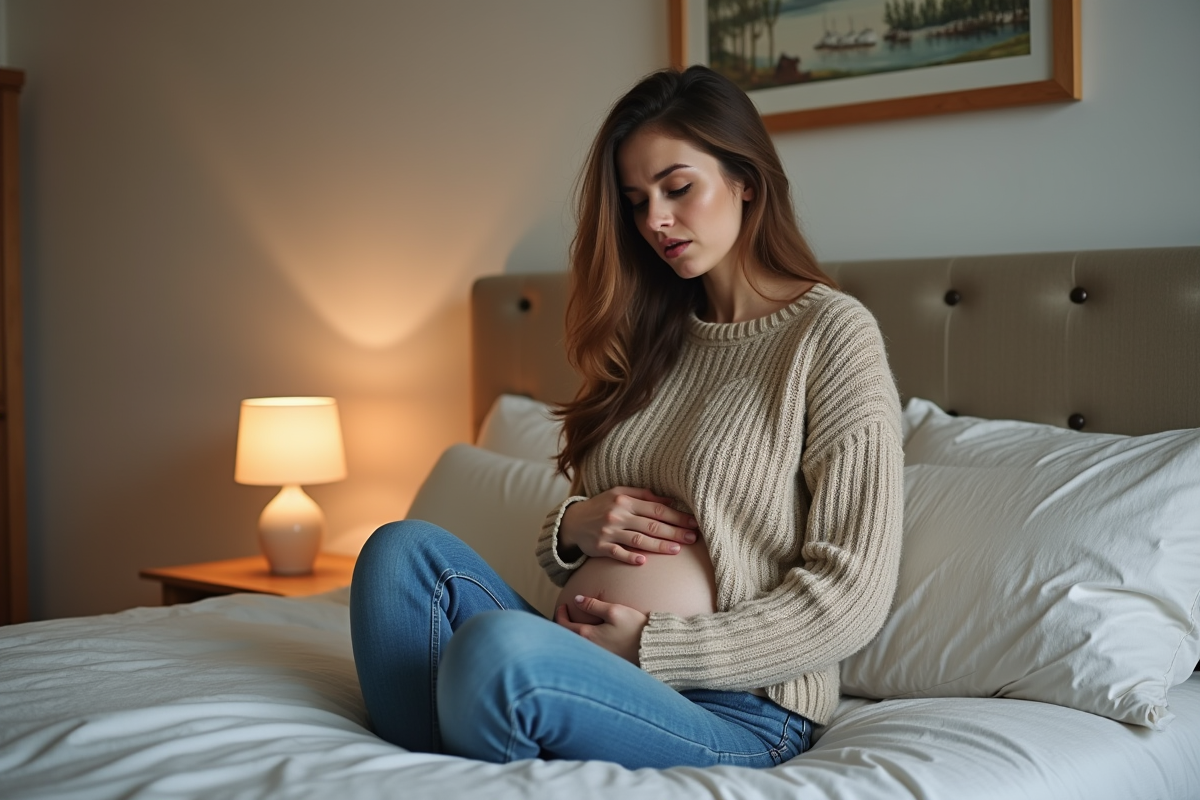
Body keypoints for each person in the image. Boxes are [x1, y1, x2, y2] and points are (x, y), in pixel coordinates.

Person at [349, 65, 904, 770]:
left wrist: (652, 646)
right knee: (398, 552)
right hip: (583, 660)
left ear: (747, 181)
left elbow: (851, 594)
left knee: (498, 652)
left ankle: (459, 741)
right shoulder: (649, 336)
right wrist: (573, 527)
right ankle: (438, 766)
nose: (656, 222)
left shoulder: (829, 335)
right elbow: (597, 522)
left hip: (733, 703)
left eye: (678, 189)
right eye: (637, 201)